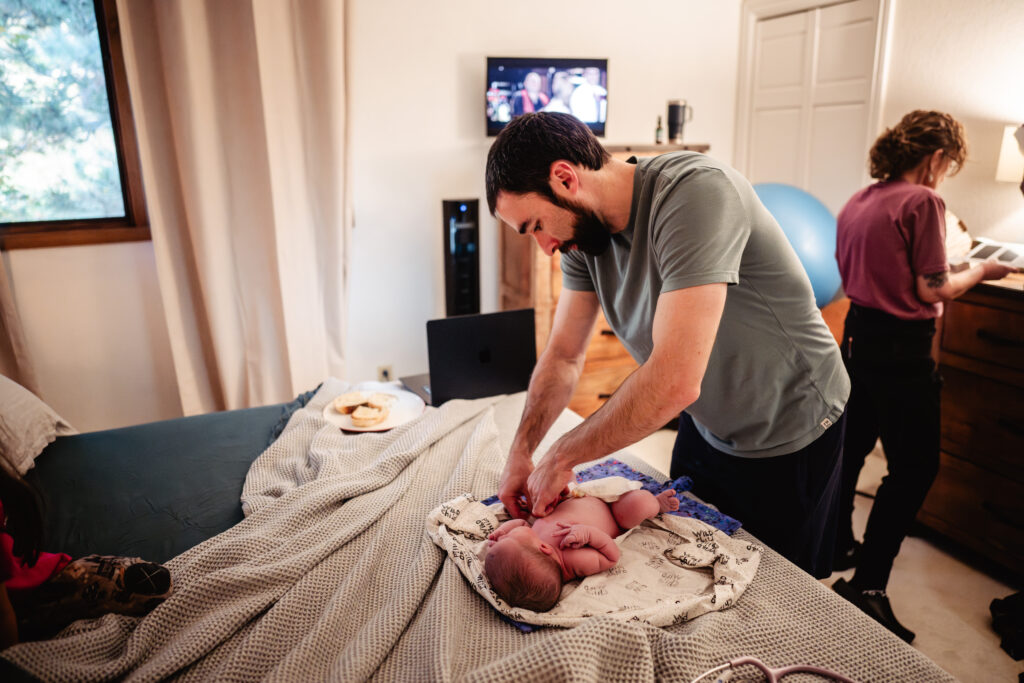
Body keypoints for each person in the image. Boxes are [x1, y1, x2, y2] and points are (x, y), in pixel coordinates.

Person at [484, 112, 850, 579]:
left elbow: (675, 381)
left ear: (565, 178)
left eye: (535, 225)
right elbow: (563, 356)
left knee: (776, 588)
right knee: (679, 563)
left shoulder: (695, 194)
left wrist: (561, 456)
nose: (544, 246)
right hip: (706, 422)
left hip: (791, 422)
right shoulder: (583, 238)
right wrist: (523, 452)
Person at [830, 110, 1015, 643]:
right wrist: (980, 269)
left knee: (853, 449)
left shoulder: (860, 200)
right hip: (901, 352)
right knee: (914, 469)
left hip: (858, 339)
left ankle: (839, 545)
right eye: (949, 163)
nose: (945, 174)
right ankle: (867, 588)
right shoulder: (923, 201)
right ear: (936, 157)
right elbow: (933, 288)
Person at [484, 483, 680, 611]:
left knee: (548, 481)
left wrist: (503, 532)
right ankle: (657, 504)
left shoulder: (531, 536)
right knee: (641, 504)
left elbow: (520, 524)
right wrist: (589, 534)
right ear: (543, 548)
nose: (503, 537)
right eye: (508, 539)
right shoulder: (573, 560)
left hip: (574, 496)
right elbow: (612, 556)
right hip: (615, 514)